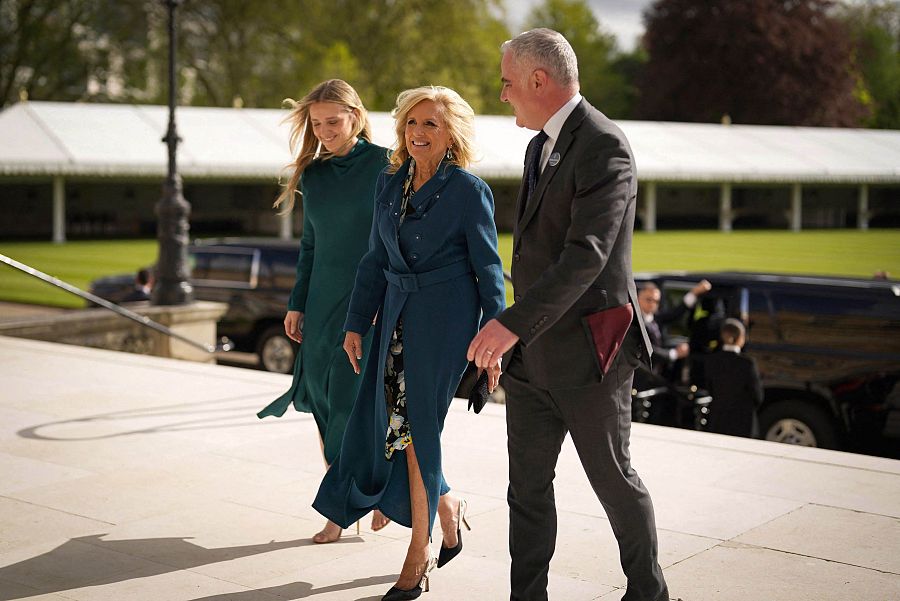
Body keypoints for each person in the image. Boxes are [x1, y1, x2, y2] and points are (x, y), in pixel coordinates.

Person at [468, 29, 670, 601]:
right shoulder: (538, 146)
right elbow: (532, 253)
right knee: (525, 492)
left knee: (614, 482)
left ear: (539, 80)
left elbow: (588, 256)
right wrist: (517, 332)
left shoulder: (606, 145)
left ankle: (649, 592)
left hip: (592, 355)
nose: (503, 94)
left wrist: (511, 323)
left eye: (508, 83)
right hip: (532, 359)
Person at [313, 86, 505, 600]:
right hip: (394, 314)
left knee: (420, 426)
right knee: (397, 426)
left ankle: (417, 554)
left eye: (431, 125)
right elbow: (374, 258)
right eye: (412, 123)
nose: (418, 133)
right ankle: (448, 510)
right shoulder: (388, 183)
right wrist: (356, 323)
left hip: (446, 321)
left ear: (451, 134)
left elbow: (490, 270)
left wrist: (495, 341)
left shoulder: (469, 190)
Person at [256, 79, 391, 543]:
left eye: (334, 121)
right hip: (320, 302)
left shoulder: (386, 165)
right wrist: (296, 303)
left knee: (353, 404)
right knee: (320, 399)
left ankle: (343, 507)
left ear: (356, 115)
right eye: (318, 124)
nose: (326, 131)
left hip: (366, 301)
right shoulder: (311, 175)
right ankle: (357, 494)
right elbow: (310, 245)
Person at [703, 318, 763, 438]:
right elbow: (757, 396)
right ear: (741, 338)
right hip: (743, 422)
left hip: (718, 420)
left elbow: (709, 388)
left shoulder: (711, 361)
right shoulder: (747, 364)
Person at [637, 280, 711, 375]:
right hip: (642, 373)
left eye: (656, 301)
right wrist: (674, 353)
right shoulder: (635, 323)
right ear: (638, 299)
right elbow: (648, 350)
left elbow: (676, 313)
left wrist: (694, 293)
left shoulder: (656, 318)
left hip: (656, 371)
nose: (652, 304)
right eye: (649, 299)